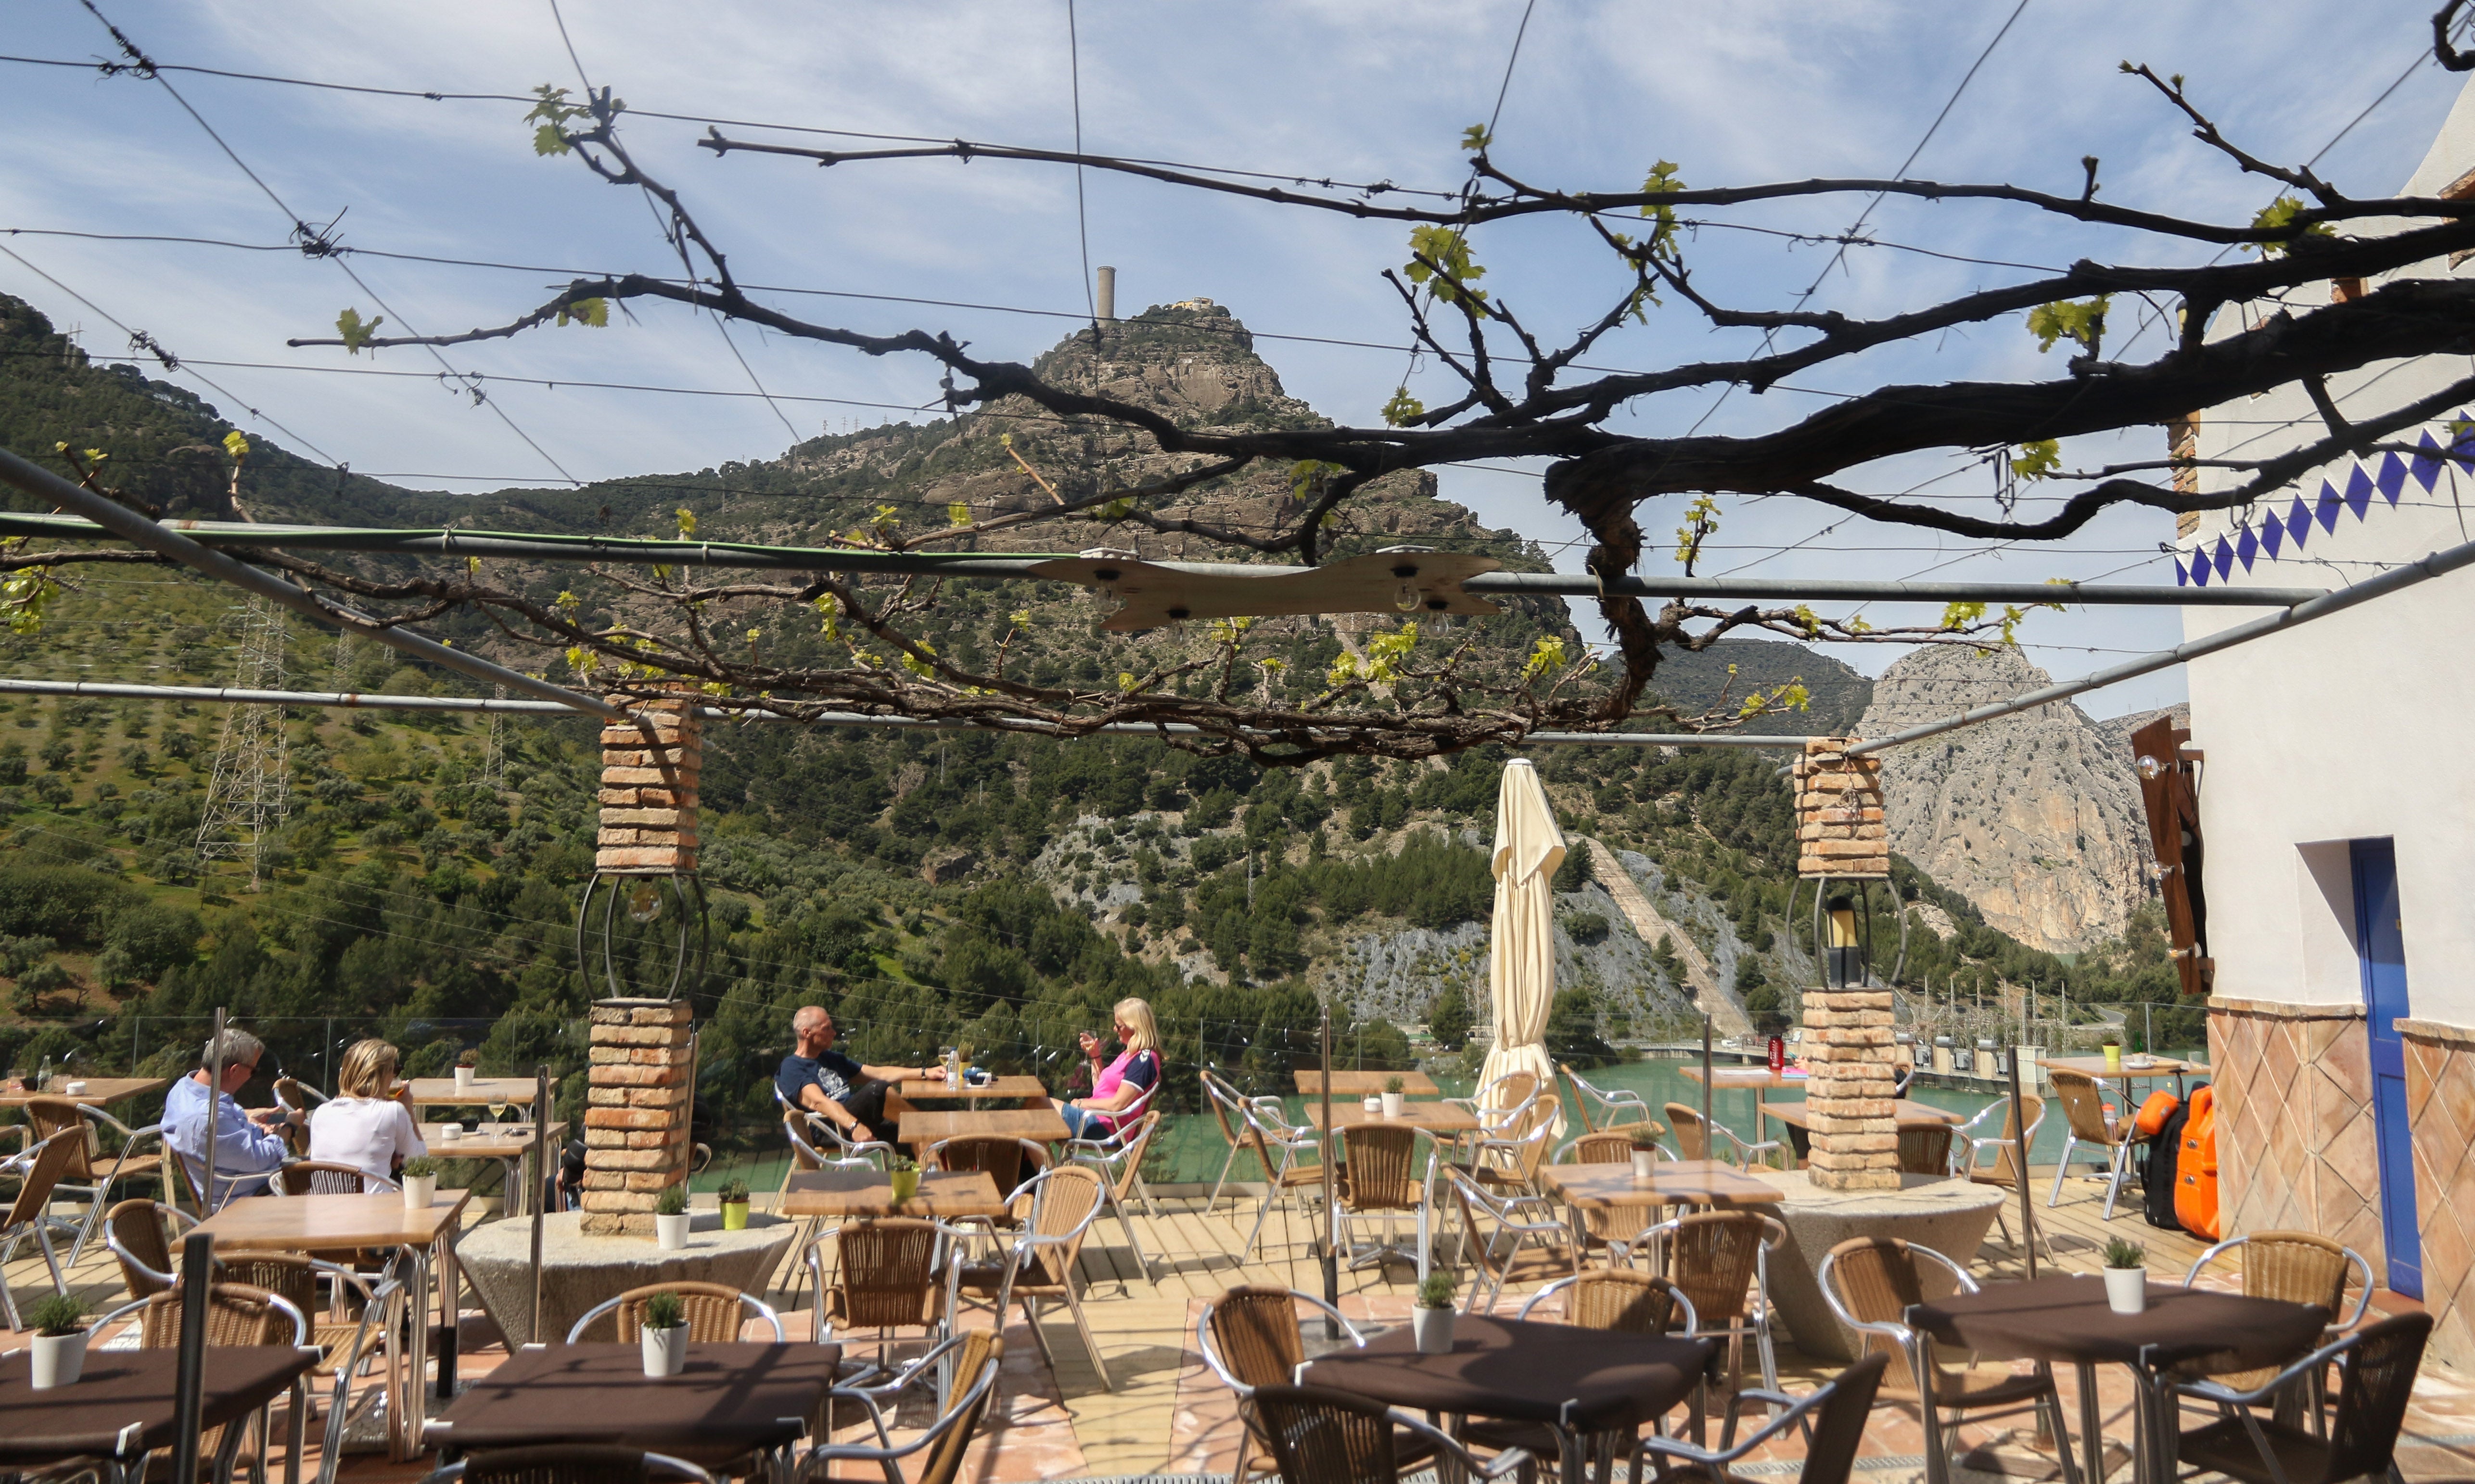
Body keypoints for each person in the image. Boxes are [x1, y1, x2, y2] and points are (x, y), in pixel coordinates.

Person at [163, 1027, 299, 1209]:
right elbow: (261, 1159)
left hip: (246, 1180)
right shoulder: (209, 1117)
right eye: (253, 1070)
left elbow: (217, 1123)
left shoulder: (184, 1089)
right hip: (250, 1198)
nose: (252, 1077)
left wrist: (246, 1116)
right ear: (234, 1070)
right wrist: (289, 1128)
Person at [775, 1006, 934, 1146]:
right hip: (829, 1128)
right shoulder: (792, 1067)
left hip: (852, 1119)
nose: (834, 1033)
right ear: (807, 1033)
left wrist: (925, 1072)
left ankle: (928, 1172)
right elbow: (818, 1102)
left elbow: (880, 1073)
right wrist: (855, 1126)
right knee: (877, 1090)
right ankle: (924, 1125)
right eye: (827, 1028)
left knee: (912, 1137)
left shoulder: (832, 1058)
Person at [308, 1039, 426, 1187]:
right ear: (382, 1075)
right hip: (374, 1208)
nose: (395, 1078)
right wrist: (409, 1110)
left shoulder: (321, 1113)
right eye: (395, 1071)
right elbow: (421, 1163)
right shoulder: (393, 1111)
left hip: (325, 1206)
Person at [1052, 997, 1162, 1141]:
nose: (1115, 1029)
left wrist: (1080, 1103)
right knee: (1032, 1116)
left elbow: (1117, 1105)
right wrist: (1095, 1056)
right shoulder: (1129, 1055)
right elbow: (1100, 1089)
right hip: (1097, 1120)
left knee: (1040, 1106)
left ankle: (1037, 1163)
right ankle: (1038, 1163)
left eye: (1119, 1026)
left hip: (1105, 1127)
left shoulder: (1143, 1061)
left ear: (1134, 1027)